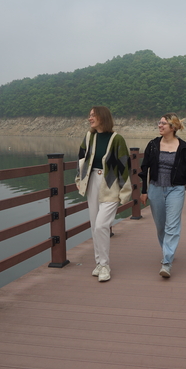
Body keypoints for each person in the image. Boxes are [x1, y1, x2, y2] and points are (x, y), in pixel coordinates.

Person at [139, 113, 186, 278]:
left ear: (172, 127)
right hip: (156, 189)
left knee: (172, 226)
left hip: (176, 189)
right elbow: (144, 170)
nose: (160, 125)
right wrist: (144, 191)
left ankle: (166, 262)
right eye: (159, 122)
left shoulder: (183, 147)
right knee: (160, 226)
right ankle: (167, 250)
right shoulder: (152, 145)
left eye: (163, 123)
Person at [76, 106, 132, 282]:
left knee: (102, 225)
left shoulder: (117, 139)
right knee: (94, 225)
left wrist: (125, 191)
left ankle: (105, 265)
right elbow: (81, 158)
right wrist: (80, 179)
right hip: (92, 182)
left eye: (93, 115)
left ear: (103, 117)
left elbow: (124, 166)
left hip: (109, 184)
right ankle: (99, 263)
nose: (90, 118)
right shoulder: (89, 137)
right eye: (89, 115)